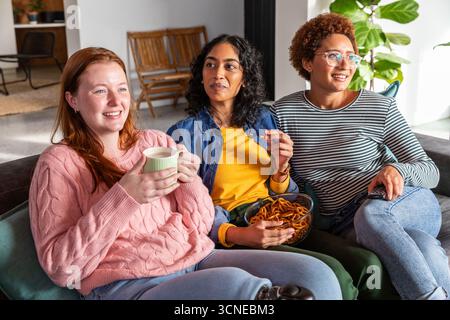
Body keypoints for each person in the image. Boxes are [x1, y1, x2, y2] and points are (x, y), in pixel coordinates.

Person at [27, 46, 343, 300]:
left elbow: (202, 222)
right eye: (99, 91)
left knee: (314, 274)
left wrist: (188, 179)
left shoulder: (156, 142)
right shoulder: (59, 163)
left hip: (195, 258)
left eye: (122, 88)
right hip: (129, 285)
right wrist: (126, 196)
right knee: (236, 285)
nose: (116, 101)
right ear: (72, 100)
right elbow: (60, 266)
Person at [271, 12, 450, 300]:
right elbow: (273, 182)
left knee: (372, 214)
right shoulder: (282, 114)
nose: (345, 65)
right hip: (346, 225)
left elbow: (430, 171)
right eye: (333, 56)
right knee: (425, 248)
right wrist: (279, 169)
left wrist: (398, 171)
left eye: (351, 57)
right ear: (307, 62)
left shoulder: (380, 107)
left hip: (405, 202)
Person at [167, 34, 357, 299]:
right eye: (210, 65)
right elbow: (184, 209)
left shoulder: (264, 118)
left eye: (230, 66)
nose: (218, 73)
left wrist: (281, 169)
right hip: (237, 226)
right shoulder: (184, 134)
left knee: (364, 263)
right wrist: (237, 234)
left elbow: (285, 192)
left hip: (281, 213)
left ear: (244, 78)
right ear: (201, 74)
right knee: (334, 273)